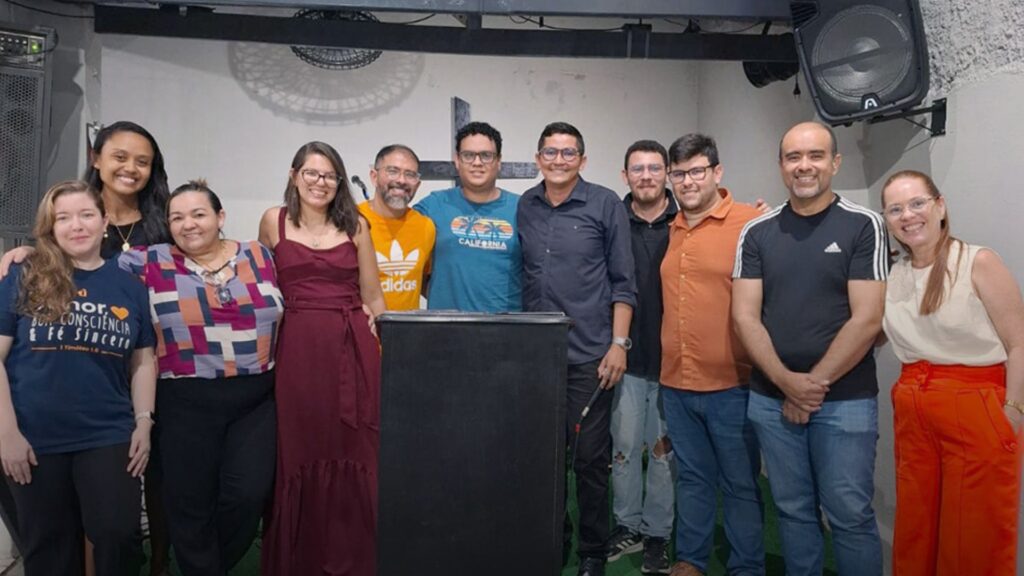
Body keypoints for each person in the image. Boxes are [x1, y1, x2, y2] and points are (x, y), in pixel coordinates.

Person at [0, 120, 173, 576]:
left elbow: (143, 359)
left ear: (104, 222)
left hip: (108, 434)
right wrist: (6, 432)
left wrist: (144, 423)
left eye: (86, 216)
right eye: (63, 218)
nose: (76, 225)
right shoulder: (23, 275)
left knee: (118, 535)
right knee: (48, 546)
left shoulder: (129, 286)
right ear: (50, 226)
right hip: (34, 435)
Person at [732, 121, 886, 576]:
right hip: (770, 398)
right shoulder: (756, 232)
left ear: (835, 163)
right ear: (781, 165)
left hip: (845, 401)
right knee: (793, 510)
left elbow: (868, 319)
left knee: (850, 516)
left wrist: (808, 388)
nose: (804, 166)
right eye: (794, 157)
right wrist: (786, 384)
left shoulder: (864, 225)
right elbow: (744, 317)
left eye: (816, 155)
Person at [120, 180, 283, 576]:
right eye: (177, 217)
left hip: (255, 400)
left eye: (198, 214)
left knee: (248, 494)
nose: (188, 224)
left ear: (220, 217)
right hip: (183, 400)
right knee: (189, 503)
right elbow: (84, 263)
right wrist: (28, 253)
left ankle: (210, 566)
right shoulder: (146, 261)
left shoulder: (258, 254)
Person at [880, 170, 1024, 576]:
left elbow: (1019, 343)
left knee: (974, 536)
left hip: (975, 407)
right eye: (895, 209)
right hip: (913, 410)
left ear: (940, 206)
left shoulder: (978, 261)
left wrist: (1013, 413)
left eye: (917, 203)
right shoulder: (894, 273)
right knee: (916, 530)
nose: (908, 216)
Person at [258, 142, 385, 575]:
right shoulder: (272, 222)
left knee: (356, 450)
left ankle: (357, 559)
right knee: (299, 450)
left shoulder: (357, 226)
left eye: (330, 175)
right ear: (294, 176)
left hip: (353, 351)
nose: (320, 182)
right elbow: (262, 293)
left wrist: (385, 350)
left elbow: (374, 297)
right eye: (311, 173)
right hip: (295, 354)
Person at [517, 121, 636, 576]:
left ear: (582, 160)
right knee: (542, 459)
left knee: (589, 460)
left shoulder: (605, 204)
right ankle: (552, 536)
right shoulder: (525, 205)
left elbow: (624, 282)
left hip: (590, 356)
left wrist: (618, 344)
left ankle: (592, 550)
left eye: (569, 153)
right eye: (550, 152)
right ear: (538, 159)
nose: (559, 160)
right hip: (535, 357)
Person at [660, 134, 765, 576]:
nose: (687, 181)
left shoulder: (751, 223)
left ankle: (747, 566)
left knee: (740, 484)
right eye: (679, 173)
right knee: (692, 478)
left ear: (717, 172)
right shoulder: (673, 227)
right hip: (676, 383)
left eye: (697, 171)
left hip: (733, 385)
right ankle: (691, 558)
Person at [604, 140, 675, 574]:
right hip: (625, 357)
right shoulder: (612, 219)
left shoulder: (685, 219)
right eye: (637, 169)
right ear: (625, 175)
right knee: (625, 449)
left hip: (674, 360)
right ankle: (627, 524)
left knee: (663, 453)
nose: (646, 176)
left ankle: (657, 534)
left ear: (666, 173)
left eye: (654, 168)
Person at [413, 121, 522, 312]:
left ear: (498, 161)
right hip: (446, 326)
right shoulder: (433, 205)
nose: (477, 163)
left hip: (507, 326)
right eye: (468, 155)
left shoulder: (522, 208)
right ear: (457, 160)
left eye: (486, 155)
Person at [357, 144, 436, 310]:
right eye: (393, 171)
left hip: (407, 326)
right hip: (360, 325)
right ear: (374, 176)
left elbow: (425, 281)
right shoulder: (352, 221)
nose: (401, 180)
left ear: (417, 184)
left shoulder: (425, 227)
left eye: (410, 174)